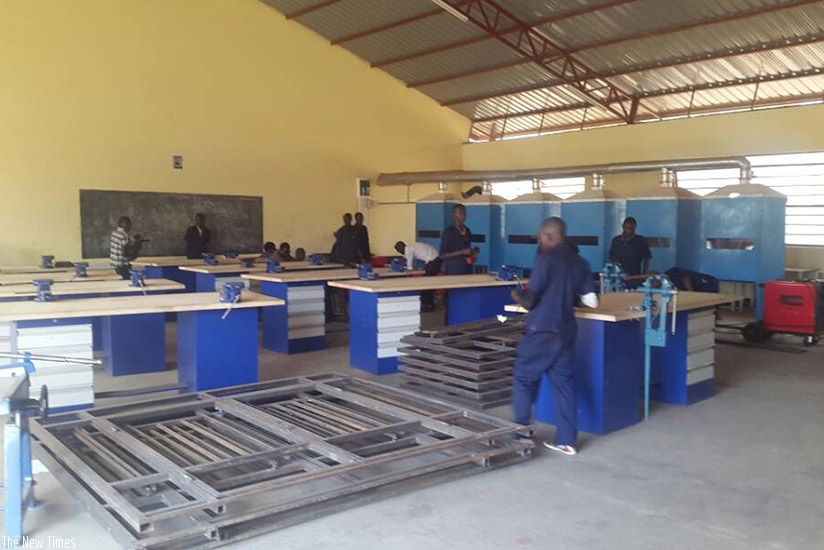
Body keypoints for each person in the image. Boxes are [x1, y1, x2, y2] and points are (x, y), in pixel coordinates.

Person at [511, 217, 598, 456]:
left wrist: (517, 295)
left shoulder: (545, 259)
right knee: (563, 385)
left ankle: (521, 432)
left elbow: (531, 301)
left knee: (523, 377)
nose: (539, 241)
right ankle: (566, 441)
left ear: (549, 236)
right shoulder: (581, 263)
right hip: (566, 331)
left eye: (540, 237)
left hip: (542, 330)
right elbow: (591, 301)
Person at [395, 240, 441, 312]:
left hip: (433, 261)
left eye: (399, 251)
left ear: (401, 248)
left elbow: (409, 267)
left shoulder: (408, 249)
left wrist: (406, 272)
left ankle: (427, 305)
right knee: (429, 284)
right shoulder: (412, 246)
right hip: (435, 259)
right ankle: (430, 304)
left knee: (427, 285)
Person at [439, 204, 474, 275]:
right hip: (453, 270)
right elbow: (442, 255)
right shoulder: (448, 232)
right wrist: (462, 252)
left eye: (464, 212)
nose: (463, 215)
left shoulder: (467, 231)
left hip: (467, 268)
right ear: (454, 215)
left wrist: (473, 254)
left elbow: (467, 251)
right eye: (460, 212)